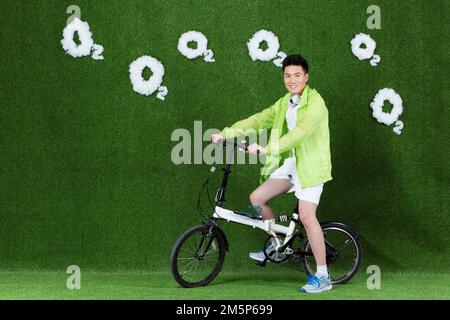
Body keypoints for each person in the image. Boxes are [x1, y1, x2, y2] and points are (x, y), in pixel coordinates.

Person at [211, 54, 333, 293]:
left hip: (312, 166)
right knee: (257, 198)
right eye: (287, 76)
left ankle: (323, 276)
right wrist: (227, 133)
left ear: (306, 77)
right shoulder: (286, 102)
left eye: (297, 75)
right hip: (292, 164)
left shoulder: (316, 104)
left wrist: (267, 149)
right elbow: (258, 120)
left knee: (307, 217)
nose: (292, 80)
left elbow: (300, 133)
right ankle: (278, 245)